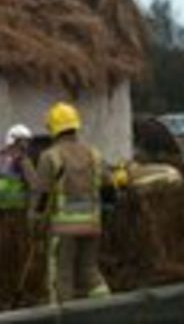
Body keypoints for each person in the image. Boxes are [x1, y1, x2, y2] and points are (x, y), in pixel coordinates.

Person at [31, 102, 112, 304]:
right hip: (92, 224)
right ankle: (108, 310)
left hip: (63, 228)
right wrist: (106, 214)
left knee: (61, 276)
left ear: (53, 129)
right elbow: (109, 188)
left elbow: (41, 197)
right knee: (89, 271)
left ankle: (63, 317)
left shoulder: (50, 156)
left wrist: (35, 224)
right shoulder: (94, 154)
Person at [0, 124, 37, 213]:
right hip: (18, 212)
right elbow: (34, 185)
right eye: (25, 141)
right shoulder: (22, 159)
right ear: (16, 141)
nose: (27, 145)